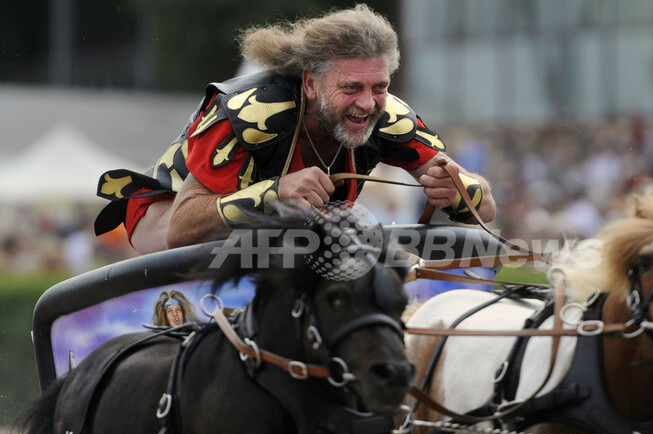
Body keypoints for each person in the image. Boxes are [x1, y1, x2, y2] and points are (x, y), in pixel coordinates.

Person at [94, 5, 496, 253]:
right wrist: (276, 192)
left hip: (274, 243)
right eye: (351, 87)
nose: (368, 103)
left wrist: (463, 190)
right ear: (310, 83)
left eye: (380, 87)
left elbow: (486, 208)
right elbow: (181, 231)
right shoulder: (247, 112)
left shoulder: (389, 116)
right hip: (167, 217)